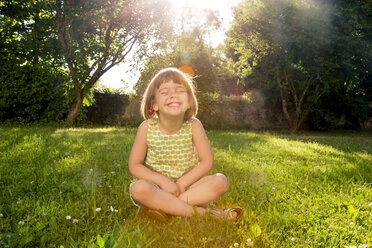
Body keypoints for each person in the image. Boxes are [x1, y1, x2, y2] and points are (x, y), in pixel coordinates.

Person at [128, 67, 243, 223]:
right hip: (156, 189)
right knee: (138, 189)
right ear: (154, 104)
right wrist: (163, 182)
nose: (173, 95)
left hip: (189, 188)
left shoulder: (193, 125)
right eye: (164, 92)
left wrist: (181, 184)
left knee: (221, 181)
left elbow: (207, 161)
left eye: (179, 90)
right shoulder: (146, 128)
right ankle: (209, 214)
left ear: (189, 101)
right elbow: (135, 165)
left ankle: (165, 208)